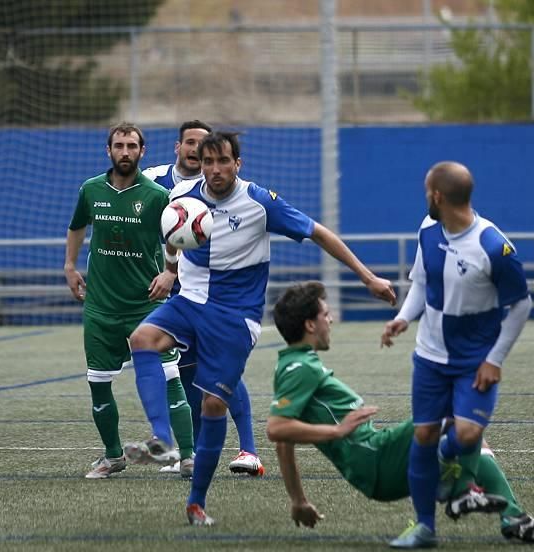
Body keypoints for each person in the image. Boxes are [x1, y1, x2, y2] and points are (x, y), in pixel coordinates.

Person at [124, 131, 396, 526]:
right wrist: (169, 270)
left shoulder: (260, 203)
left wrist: (368, 278)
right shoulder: (182, 198)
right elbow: (171, 236)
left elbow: (319, 233)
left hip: (236, 315)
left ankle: (196, 502)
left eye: (224, 162)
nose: (215, 170)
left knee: (213, 404)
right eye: (208, 162)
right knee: (142, 339)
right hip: (191, 300)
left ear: (238, 164)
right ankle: (163, 439)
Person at [267, 281, 534, 544]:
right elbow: (277, 429)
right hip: (374, 458)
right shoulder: (300, 368)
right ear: (309, 325)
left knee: (471, 435)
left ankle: (511, 517)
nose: (330, 320)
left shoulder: (298, 364)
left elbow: (284, 442)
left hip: (374, 460)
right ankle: (456, 489)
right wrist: (336, 431)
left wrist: (298, 501)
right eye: (325, 314)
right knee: (461, 412)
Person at [381, 161, 534, 549]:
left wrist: (494, 359)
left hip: (475, 362)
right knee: (424, 434)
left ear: (438, 196)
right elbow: (420, 282)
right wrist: (402, 318)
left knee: (467, 433)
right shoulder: (428, 229)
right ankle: (424, 527)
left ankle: (447, 471)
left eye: (426, 191)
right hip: (429, 358)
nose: (425, 198)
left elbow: (521, 306)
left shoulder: (493, 246)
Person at [64, 122, 191, 479]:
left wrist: (170, 272)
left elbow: (176, 236)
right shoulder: (91, 189)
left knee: (170, 377)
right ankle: (113, 456)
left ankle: (189, 456)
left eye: (131, 146)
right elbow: (76, 226)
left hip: (145, 305)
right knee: (98, 382)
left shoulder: (155, 196)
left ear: (142, 151)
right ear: (109, 150)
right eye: (119, 146)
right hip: (101, 307)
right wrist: (70, 265)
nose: (125, 152)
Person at [143, 120, 263, 478]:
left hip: (212, 297)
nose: (197, 150)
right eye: (191, 143)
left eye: (205, 146)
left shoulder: (222, 190)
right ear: (177, 147)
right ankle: (189, 453)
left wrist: (173, 271)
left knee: (221, 371)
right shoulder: (156, 182)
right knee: (187, 372)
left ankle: (248, 449)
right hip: (177, 296)